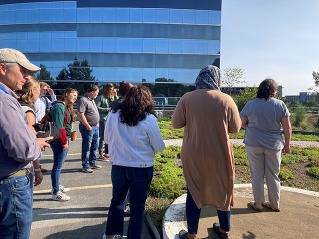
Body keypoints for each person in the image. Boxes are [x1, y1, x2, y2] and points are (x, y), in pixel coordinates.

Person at [172, 65, 241, 239]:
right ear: (216, 79)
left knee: (194, 190)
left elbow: (175, 124)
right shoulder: (226, 99)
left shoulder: (186, 98)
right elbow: (236, 128)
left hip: (193, 152)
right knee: (223, 188)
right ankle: (224, 228)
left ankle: (191, 233)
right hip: (220, 153)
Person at [0, 48, 52, 239]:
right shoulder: (4, 100)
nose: (27, 77)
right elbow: (21, 150)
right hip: (11, 182)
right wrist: (35, 144)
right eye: (23, 71)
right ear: (2, 69)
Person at [102, 85, 165, 239]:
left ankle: (110, 234)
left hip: (118, 165)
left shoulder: (113, 114)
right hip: (141, 168)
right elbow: (159, 146)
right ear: (147, 99)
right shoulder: (149, 118)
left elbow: (107, 139)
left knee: (116, 201)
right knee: (137, 207)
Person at [240, 78, 292, 212]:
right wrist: (287, 145)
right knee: (273, 175)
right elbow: (287, 127)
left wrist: (250, 129)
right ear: (273, 91)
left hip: (253, 143)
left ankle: (258, 203)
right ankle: (275, 204)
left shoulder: (250, 104)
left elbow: (241, 123)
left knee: (256, 174)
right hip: (274, 145)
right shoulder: (280, 104)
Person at [50, 88, 78, 201]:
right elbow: (59, 126)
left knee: (58, 165)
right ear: (66, 94)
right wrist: (64, 141)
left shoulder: (64, 106)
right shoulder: (59, 106)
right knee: (57, 166)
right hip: (59, 140)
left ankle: (56, 185)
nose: (75, 97)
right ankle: (55, 191)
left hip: (62, 138)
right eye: (74, 95)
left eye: (76, 96)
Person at [16, 76, 44, 189]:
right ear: (32, 90)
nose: (40, 91)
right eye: (39, 88)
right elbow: (31, 143)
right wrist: (37, 169)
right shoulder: (28, 111)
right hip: (22, 168)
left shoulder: (16, 105)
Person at [78, 84, 102, 173]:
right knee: (87, 147)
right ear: (92, 92)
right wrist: (88, 126)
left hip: (95, 127)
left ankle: (92, 162)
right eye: (96, 93)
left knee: (95, 145)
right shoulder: (83, 100)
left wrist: (97, 123)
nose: (97, 94)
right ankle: (85, 165)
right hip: (88, 128)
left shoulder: (92, 100)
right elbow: (81, 114)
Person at [34, 81, 56, 172]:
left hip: (42, 124)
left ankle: (37, 166)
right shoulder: (34, 98)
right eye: (44, 89)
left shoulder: (45, 99)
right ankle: (34, 167)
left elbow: (55, 105)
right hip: (34, 123)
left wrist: (52, 95)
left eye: (46, 90)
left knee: (41, 145)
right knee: (34, 145)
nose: (45, 92)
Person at [95, 83, 118, 161]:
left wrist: (116, 95)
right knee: (103, 137)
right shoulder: (101, 97)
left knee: (110, 136)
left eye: (112, 89)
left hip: (111, 119)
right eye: (110, 89)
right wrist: (107, 109)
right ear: (106, 89)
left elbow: (118, 103)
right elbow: (96, 108)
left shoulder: (112, 97)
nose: (111, 91)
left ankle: (107, 152)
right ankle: (101, 153)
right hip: (103, 119)